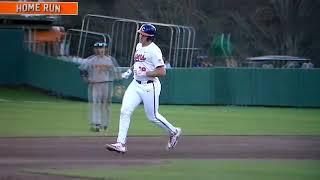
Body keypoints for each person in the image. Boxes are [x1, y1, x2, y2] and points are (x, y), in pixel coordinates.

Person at [105, 24, 182, 153]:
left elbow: (162, 72)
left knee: (152, 117)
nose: (139, 35)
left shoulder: (154, 50)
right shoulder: (139, 46)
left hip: (149, 86)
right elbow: (138, 63)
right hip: (135, 84)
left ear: (147, 36)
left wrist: (147, 73)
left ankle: (174, 131)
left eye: (141, 34)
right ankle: (120, 144)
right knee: (125, 111)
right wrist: (130, 72)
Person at [79, 42, 120, 132]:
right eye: (98, 48)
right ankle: (96, 123)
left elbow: (116, 71)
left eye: (102, 48)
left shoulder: (109, 60)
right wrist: (86, 79)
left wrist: (117, 76)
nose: (100, 49)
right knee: (96, 104)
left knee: (106, 105)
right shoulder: (91, 60)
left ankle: (105, 124)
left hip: (107, 84)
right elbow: (82, 69)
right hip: (95, 84)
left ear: (105, 49)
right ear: (95, 49)